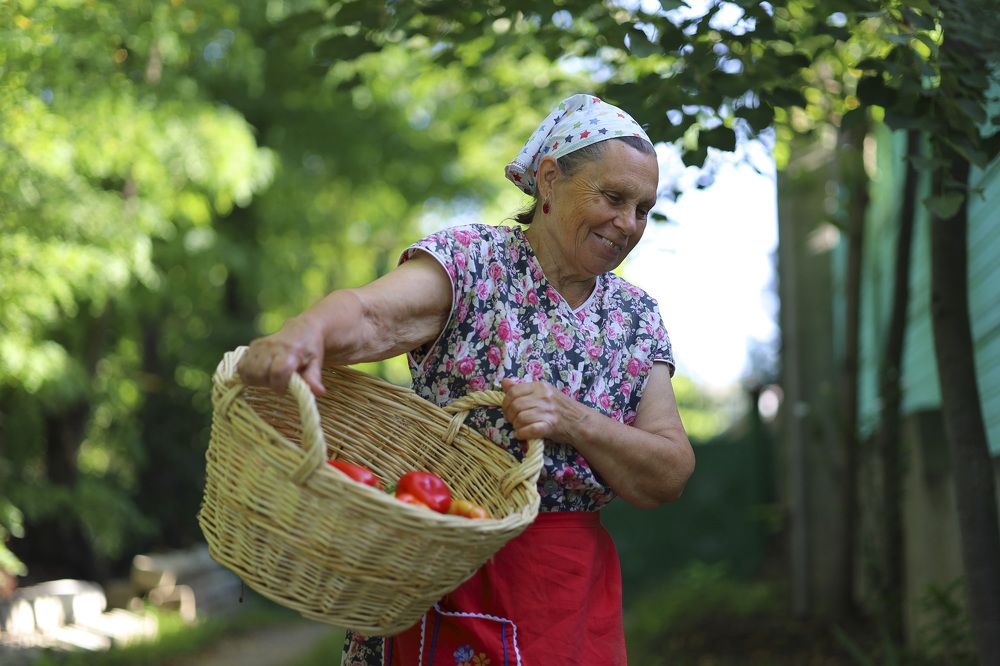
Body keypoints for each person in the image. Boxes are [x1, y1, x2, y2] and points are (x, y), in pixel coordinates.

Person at [237, 93, 696, 665]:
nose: (628, 224)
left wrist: (574, 421)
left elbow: (668, 471)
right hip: (444, 565)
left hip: (568, 593)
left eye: (644, 208)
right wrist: (304, 333)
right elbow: (369, 316)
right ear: (549, 181)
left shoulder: (635, 317)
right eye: (613, 197)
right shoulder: (473, 262)